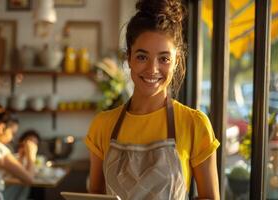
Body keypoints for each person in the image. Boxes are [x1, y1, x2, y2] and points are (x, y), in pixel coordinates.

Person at [84, 0, 220, 199]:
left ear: (176, 62)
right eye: (142, 56)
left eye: (164, 58)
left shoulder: (195, 124)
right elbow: (94, 195)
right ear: (129, 57)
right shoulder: (102, 125)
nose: (152, 69)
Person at [3, 129, 41, 200]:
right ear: (21, 143)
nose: (31, 147)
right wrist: (30, 156)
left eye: (35, 144)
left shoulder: (30, 160)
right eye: (29, 143)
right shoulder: (10, 156)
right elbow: (29, 178)